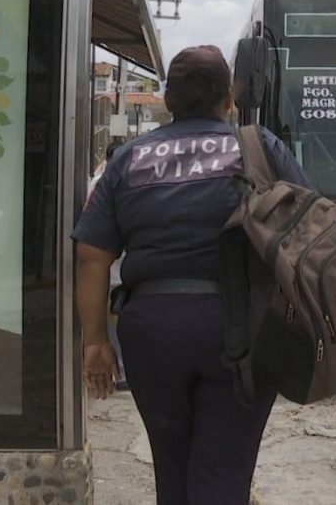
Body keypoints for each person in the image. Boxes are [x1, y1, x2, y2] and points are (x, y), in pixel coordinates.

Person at [73, 45, 311, 504]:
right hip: (240, 334)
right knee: (223, 475)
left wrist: (96, 342)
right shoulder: (259, 147)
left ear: (168, 101)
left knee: (172, 468)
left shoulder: (129, 159)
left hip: (152, 333)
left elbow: (92, 256)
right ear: (229, 99)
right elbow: (307, 232)